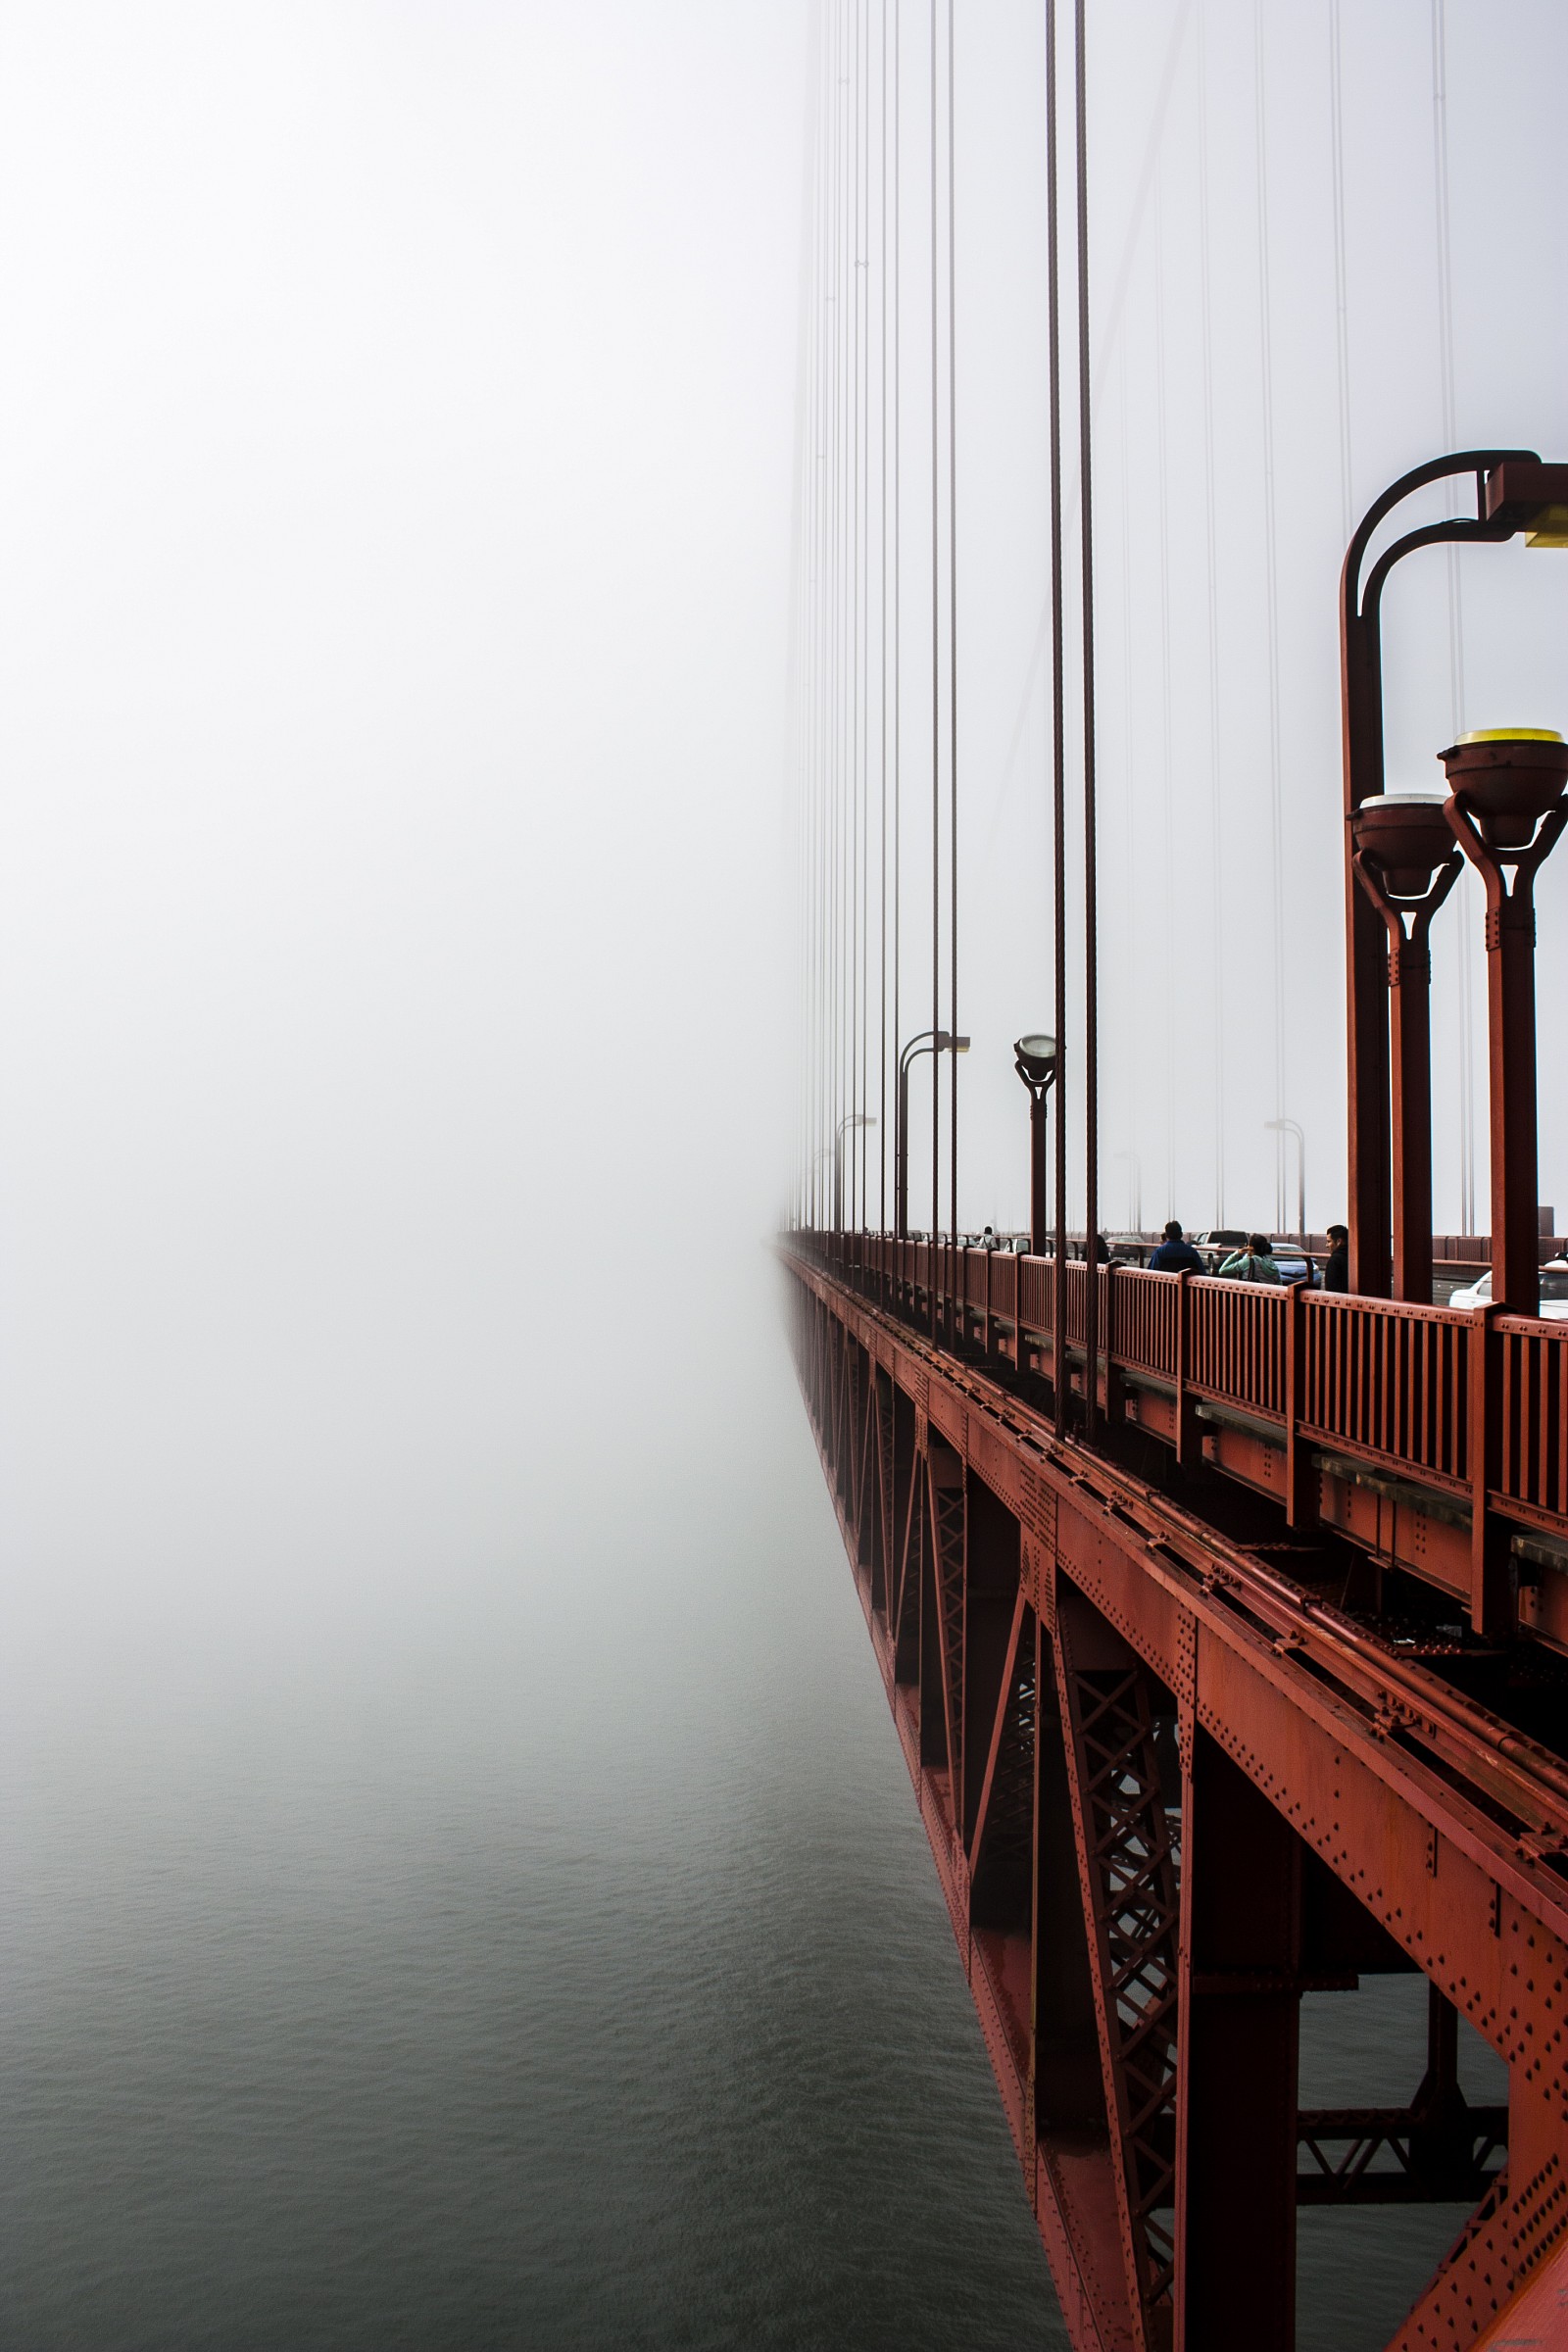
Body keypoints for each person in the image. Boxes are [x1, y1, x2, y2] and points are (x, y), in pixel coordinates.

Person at [1219, 1233, 1283, 1284]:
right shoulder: (1271, 1263)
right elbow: (1279, 1283)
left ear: (1250, 1248)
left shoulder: (1247, 1262)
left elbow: (1222, 1270)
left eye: (1247, 1246)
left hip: (1252, 1298)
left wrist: (1236, 1253)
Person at [1323, 1222, 1348, 1293]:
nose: (1327, 1245)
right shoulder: (1356, 1257)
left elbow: (1331, 1289)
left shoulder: (1334, 1260)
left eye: (1329, 1241)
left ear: (1339, 1241)